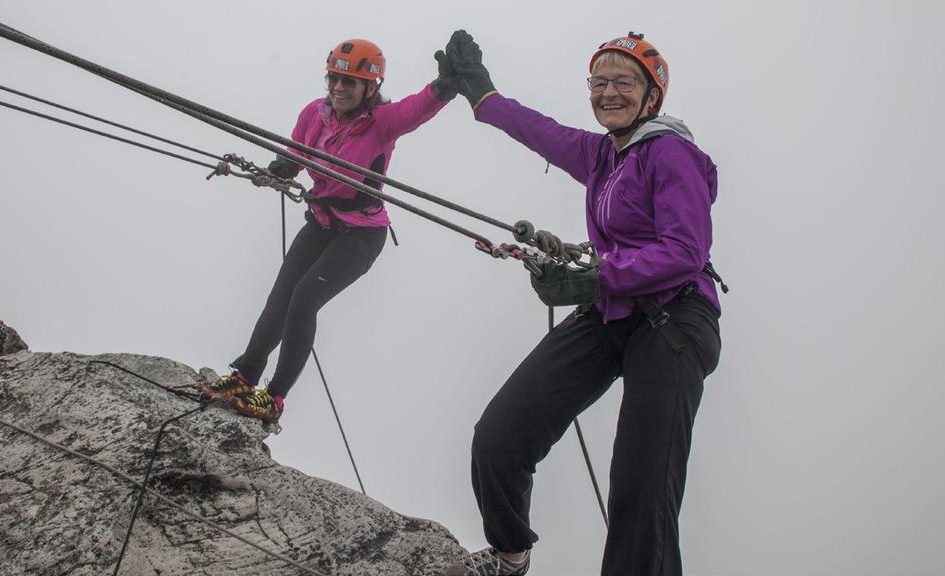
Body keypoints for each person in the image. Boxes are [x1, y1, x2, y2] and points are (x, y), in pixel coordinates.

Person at [438, 30, 722, 576]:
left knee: (641, 485)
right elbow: (536, 130)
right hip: (610, 310)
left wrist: (598, 277)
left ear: (651, 96)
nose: (608, 92)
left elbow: (686, 250)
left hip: (673, 321)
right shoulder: (600, 154)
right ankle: (510, 555)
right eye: (599, 81)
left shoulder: (671, 153)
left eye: (624, 81)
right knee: (499, 434)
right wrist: (480, 94)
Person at [200, 38, 456, 426]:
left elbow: (415, 109)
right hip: (320, 222)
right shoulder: (314, 115)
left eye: (349, 82)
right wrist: (282, 168)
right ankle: (245, 376)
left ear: (370, 88)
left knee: (303, 299)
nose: (338, 87)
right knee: (279, 298)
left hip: (361, 236)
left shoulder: (382, 123)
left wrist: (445, 86)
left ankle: (275, 398)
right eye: (334, 78)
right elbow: (297, 153)